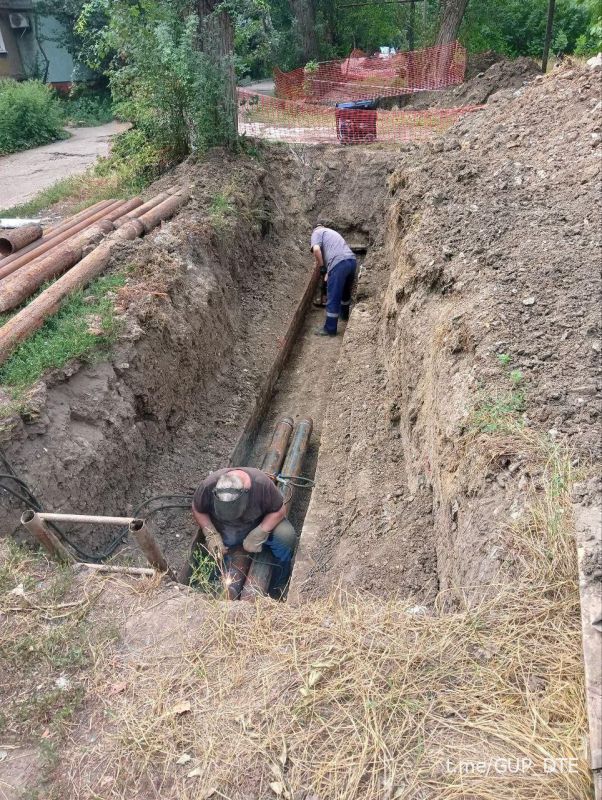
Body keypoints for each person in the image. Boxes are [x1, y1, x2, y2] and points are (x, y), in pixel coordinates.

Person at [190, 467, 296, 569]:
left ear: (245, 492)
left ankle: (279, 579)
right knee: (217, 552)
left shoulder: (261, 484)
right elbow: (198, 509)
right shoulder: (208, 485)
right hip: (226, 528)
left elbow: (279, 510)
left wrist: (261, 531)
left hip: (258, 522)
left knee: (285, 537)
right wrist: (211, 534)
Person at [310, 224, 357, 336]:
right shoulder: (332, 233)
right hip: (351, 261)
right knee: (345, 292)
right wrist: (328, 272)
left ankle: (330, 329)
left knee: (333, 296)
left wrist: (322, 267)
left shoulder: (316, 233)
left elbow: (316, 250)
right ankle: (344, 316)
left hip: (339, 264)